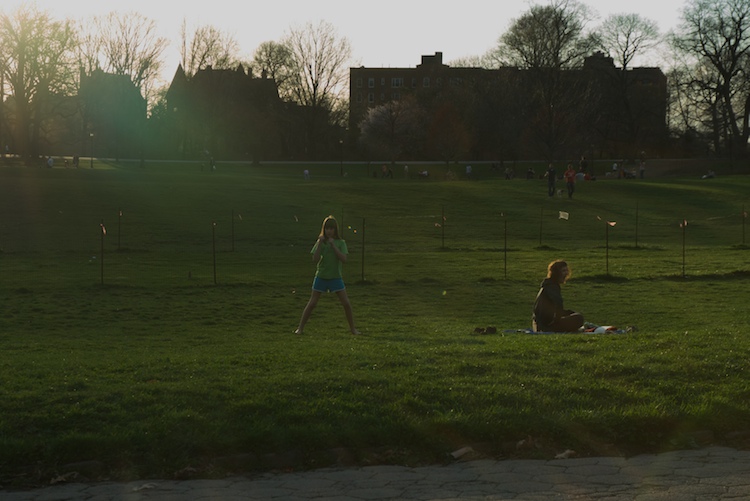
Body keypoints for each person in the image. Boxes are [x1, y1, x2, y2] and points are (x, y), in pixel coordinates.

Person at [295, 216, 360, 335]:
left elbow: (344, 259)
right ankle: (300, 328)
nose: (329, 231)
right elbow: (315, 259)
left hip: (335, 277)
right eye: (327, 228)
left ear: (336, 230)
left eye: (332, 228)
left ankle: (353, 329)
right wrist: (320, 243)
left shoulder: (341, 243)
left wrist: (333, 246)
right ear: (324, 230)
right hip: (321, 276)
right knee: (312, 303)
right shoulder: (320, 242)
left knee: (346, 303)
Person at [532, 260, 584, 332]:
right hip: (545, 326)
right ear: (556, 273)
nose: (566, 273)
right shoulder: (552, 286)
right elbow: (558, 304)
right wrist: (557, 319)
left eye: (566, 270)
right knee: (579, 318)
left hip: (542, 324)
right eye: (563, 271)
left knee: (572, 313)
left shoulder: (549, 285)